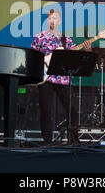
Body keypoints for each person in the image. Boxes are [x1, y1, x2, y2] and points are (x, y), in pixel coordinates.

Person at [31, 10, 91, 145]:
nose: (53, 21)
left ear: (59, 21)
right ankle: (47, 142)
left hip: (63, 79)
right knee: (46, 110)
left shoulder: (66, 39)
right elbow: (33, 57)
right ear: (47, 21)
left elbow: (76, 59)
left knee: (74, 109)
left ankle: (73, 140)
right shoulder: (39, 37)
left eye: (55, 18)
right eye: (50, 18)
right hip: (46, 79)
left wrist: (87, 51)